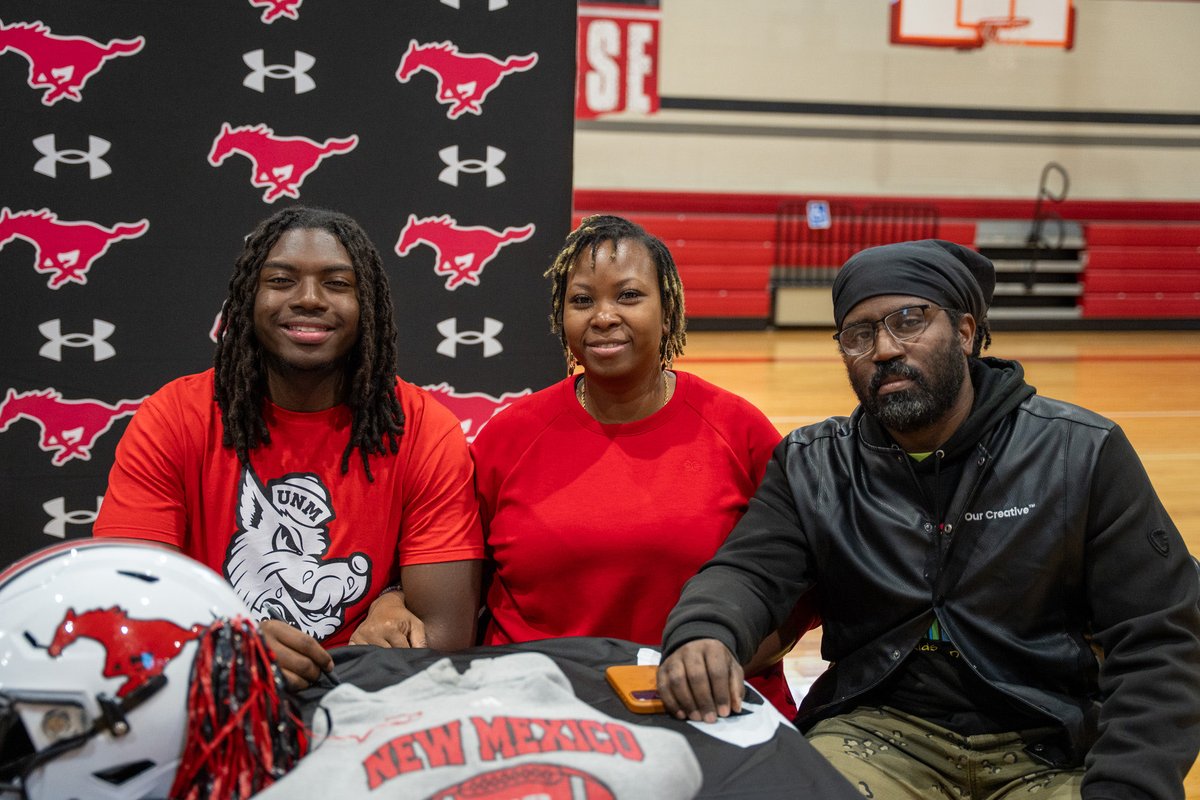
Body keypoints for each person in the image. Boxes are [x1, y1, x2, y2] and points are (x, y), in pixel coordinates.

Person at [657, 239, 1200, 799]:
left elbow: (1160, 639)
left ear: (965, 333)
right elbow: (748, 572)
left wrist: (1129, 786)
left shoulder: (1080, 452)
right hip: (876, 733)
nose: (884, 349)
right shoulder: (815, 463)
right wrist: (707, 631)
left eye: (909, 321)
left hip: (1052, 741)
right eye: (859, 334)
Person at [94, 206, 484, 689]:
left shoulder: (424, 429)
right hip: (210, 699)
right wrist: (230, 648)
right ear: (245, 299)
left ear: (369, 307)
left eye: (338, 284)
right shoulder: (173, 418)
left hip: (366, 705)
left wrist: (390, 602)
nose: (309, 299)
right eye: (281, 280)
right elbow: (126, 599)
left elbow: (444, 636)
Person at [470, 214, 815, 716]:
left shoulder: (738, 430)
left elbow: (801, 591)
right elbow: (456, 584)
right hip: (537, 708)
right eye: (582, 300)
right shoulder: (507, 437)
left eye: (628, 296)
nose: (603, 316)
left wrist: (719, 665)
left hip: (703, 709)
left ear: (668, 309)